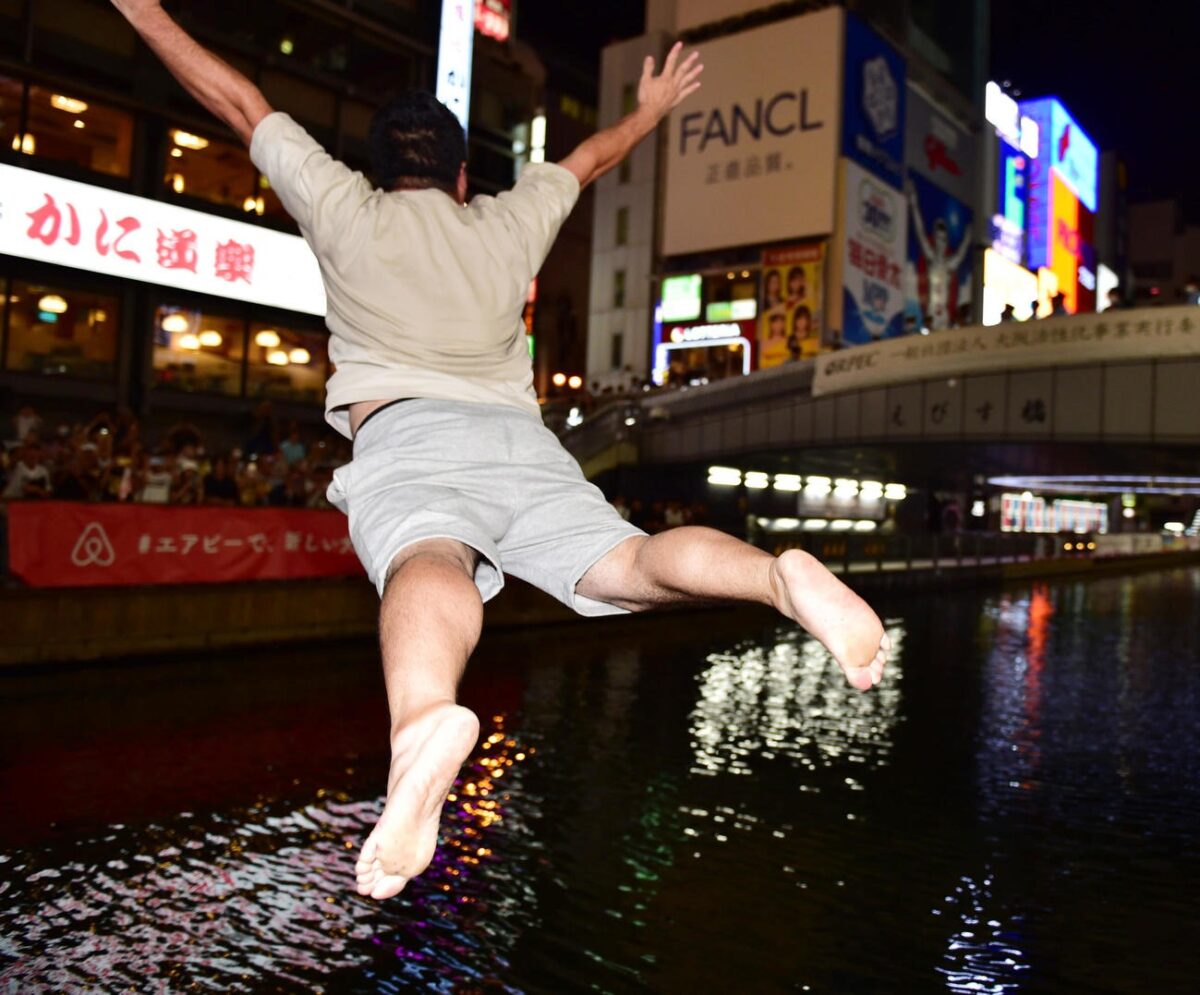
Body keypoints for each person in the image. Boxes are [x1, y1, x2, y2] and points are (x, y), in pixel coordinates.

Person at [113, 0, 889, 902]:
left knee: (429, 555)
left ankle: (422, 721)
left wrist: (143, 10)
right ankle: (774, 577)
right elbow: (591, 158)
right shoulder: (504, 220)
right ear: (460, 177)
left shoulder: (342, 203)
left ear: (381, 168)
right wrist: (650, 109)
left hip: (408, 430)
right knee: (630, 561)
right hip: (525, 444)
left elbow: (241, 102)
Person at [907, 181, 970, 331]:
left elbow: (962, 252)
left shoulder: (950, 263)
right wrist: (914, 204)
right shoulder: (931, 257)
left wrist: (969, 235)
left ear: (946, 240)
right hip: (931, 312)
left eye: (943, 239)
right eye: (938, 238)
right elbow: (920, 232)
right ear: (934, 239)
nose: (940, 242)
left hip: (944, 316)